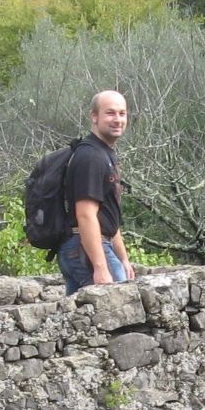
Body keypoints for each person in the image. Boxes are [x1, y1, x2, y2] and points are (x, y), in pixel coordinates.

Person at [58, 89, 138, 295]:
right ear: (94, 116)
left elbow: (108, 217)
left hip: (87, 246)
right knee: (119, 307)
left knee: (83, 322)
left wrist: (123, 259)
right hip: (86, 248)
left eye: (122, 113)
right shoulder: (91, 157)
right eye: (110, 113)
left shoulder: (104, 155)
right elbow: (85, 214)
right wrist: (101, 268)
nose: (118, 119)